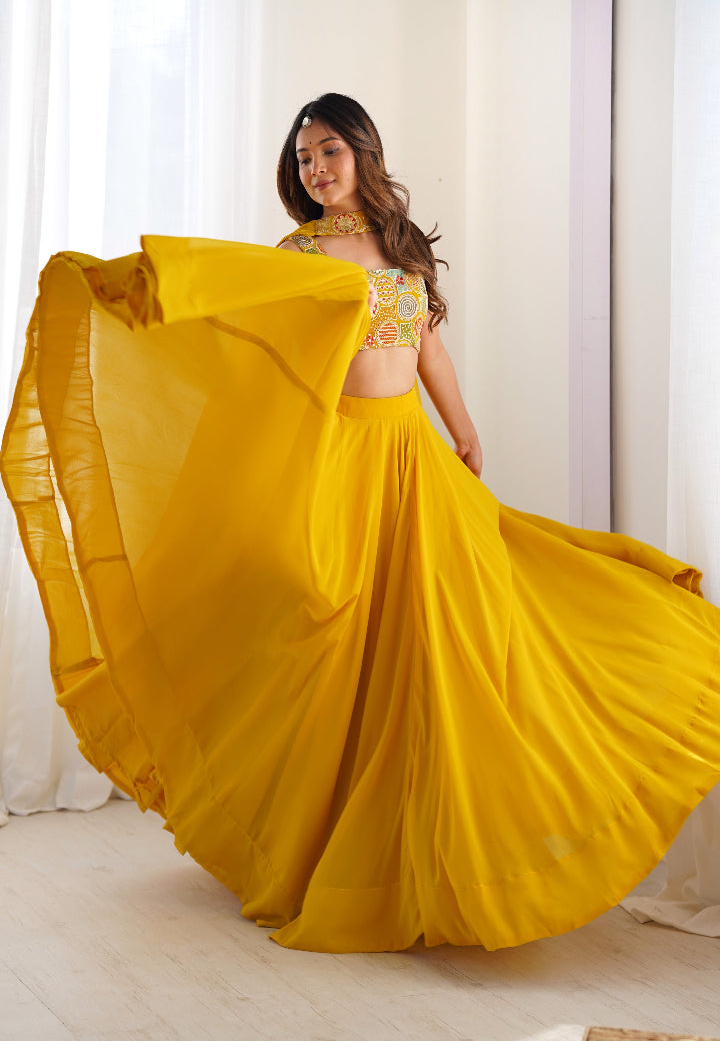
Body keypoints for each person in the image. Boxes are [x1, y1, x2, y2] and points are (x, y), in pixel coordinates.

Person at [2, 92, 720, 955]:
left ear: (364, 153)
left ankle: (437, 849)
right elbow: (241, 330)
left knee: (452, 633)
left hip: (411, 455)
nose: (316, 168)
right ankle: (322, 842)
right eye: (304, 157)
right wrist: (148, 292)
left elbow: (426, 345)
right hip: (340, 457)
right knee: (338, 635)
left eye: (329, 151)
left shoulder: (401, 243)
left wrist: (462, 425)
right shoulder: (298, 253)